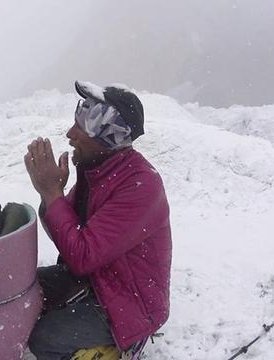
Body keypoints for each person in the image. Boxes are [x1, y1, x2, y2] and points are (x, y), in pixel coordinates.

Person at [24, 81, 172, 359]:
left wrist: (52, 193)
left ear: (110, 136)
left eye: (82, 126)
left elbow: (81, 256)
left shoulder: (140, 186)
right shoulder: (99, 170)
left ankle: (117, 349)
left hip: (130, 302)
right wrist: (50, 197)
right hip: (99, 279)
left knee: (44, 339)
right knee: (24, 289)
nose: (70, 134)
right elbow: (65, 235)